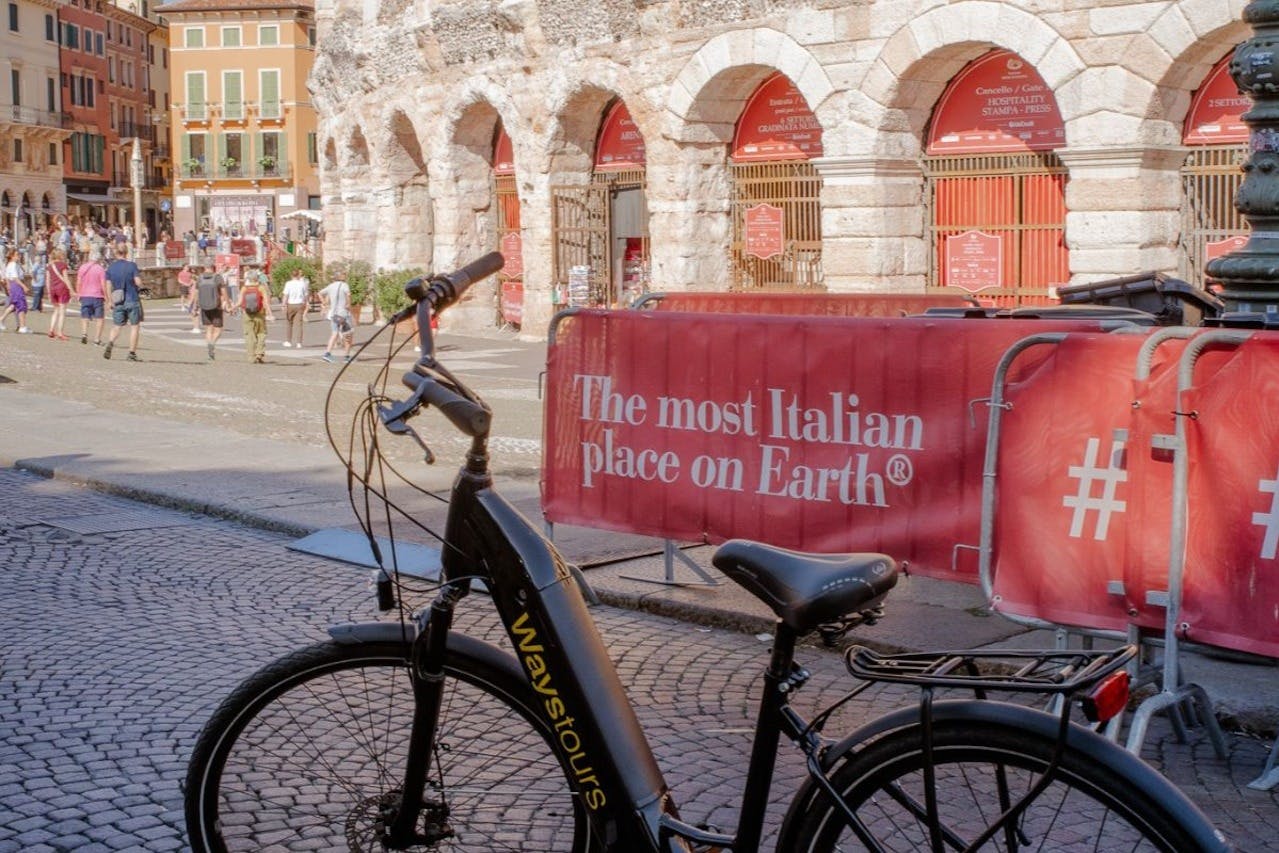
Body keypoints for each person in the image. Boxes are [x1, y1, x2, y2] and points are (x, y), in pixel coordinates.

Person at [103, 244, 144, 361]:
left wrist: (109, 300)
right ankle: (131, 353)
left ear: (116, 253)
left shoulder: (111, 268)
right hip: (132, 299)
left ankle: (110, 342)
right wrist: (143, 286)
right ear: (126, 252)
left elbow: (108, 285)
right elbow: (138, 281)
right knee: (135, 327)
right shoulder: (132, 266)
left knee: (117, 326)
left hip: (118, 300)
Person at [195, 262, 229, 361]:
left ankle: (209, 346)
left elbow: (196, 292)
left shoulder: (199, 278)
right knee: (218, 329)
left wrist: (195, 305)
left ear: (204, 267)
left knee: (208, 328)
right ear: (213, 267)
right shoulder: (217, 277)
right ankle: (212, 343)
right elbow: (224, 291)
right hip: (216, 306)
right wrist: (228, 303)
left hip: (204, 306)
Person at [75, 250, 108, 345]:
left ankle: (84, 333)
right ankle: (97, 339)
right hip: (97, 295)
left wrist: (78, 293)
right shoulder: (100, 269)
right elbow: (103, 284)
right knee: (99, 318)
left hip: (85, 295)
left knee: (85, 315)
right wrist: (106, 296)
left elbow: (78, 282)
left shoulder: (82, 267)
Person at [237, 271, 270, 364]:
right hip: (260, 313)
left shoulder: (244, 288)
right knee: (261, 333)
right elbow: (266, 302)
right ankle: (259, 353)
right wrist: (269, 313)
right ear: (257, 278)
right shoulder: (261, 288)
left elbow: (239, 302)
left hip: (247, 314)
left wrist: (232, 308)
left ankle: (251, 356)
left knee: (249, 335)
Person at [319, 275, 353, 363]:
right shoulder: (345, 285)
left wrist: (324, 302)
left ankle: (327, 354)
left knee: (334, 334)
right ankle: (347, 357)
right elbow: (348, 295)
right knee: (348, 335)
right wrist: (348, 304)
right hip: (344, 313)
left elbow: (319, 293)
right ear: (342, 277)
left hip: (334, 314)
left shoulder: (331, 286)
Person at [0, 249, 30, 333]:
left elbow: (7, 277)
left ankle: (1, 319)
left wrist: (9, 286)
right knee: (21, 305)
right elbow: (15, 278)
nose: (19, 256)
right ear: (12, 256)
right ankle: (22, 326)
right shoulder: (13, 264)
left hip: (13, 285)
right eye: (17, 255)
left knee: (13, 305)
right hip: (16, 285)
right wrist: (24, 286)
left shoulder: (10, 264)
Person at [46, 248, 73, 340]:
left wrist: (49, 292)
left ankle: (51, 329)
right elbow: (66, 279)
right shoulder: (63, 265)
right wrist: (71, 290)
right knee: (62, 311)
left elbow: (47, 280)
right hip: (62, 288)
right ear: (60, 255)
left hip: (53, 288)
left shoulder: (49, 266)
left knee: (55, 310)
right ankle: (60, 332)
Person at [280, 267, 309, 348]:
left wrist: (283, 305)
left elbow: (286, 295)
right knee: (299, 324)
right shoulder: (302, 283)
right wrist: (307, 302)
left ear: (291, 275)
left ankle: (289, 341)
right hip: (300, 304)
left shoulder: (288, 283)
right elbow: (306, 294)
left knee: (289, 323)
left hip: (291, 304)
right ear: (298, 275)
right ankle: (299, 342)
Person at [177, 264, 201, 333]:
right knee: (193, 313)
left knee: (193, 314)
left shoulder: (194, 285)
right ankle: (195, 327)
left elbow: (194, 294)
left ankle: (196, 328)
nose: (189, 280)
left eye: (191, 279)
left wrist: (190, 303)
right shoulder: (193, 283)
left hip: (194, 301)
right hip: (194, 300)